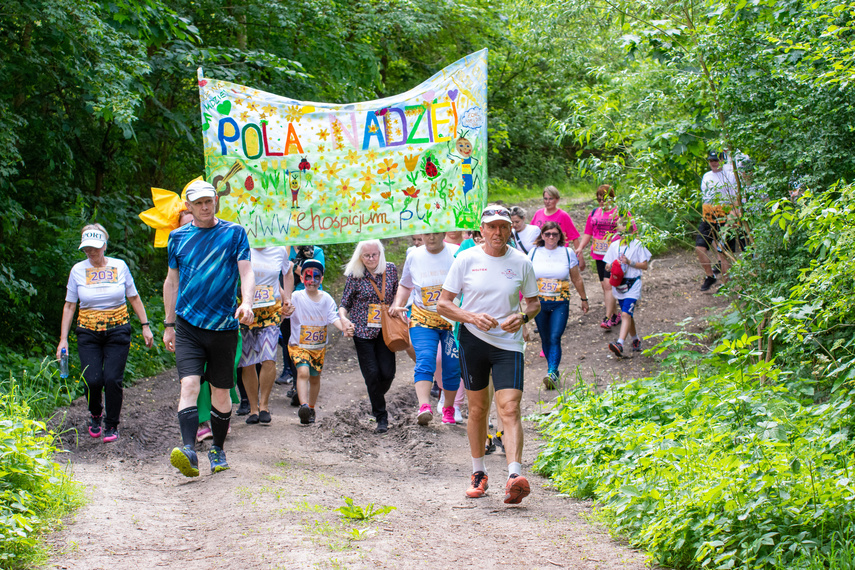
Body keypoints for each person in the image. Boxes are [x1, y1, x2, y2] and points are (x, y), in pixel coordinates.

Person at [438, 204, 540, 505]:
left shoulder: (521, 262)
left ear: (511, 229)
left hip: (508, 343)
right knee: (479, 409)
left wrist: (521, 317)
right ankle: (478, 472)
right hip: (474, 340)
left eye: (503, 227)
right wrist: (469, 317)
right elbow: (443, 304)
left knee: (509, 408)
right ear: (481, 230)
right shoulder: (466, 259)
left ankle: (513, 476)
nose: (498, 232)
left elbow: (533, 303)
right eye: (492, 227)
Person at [163, 180, 255, 477]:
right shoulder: (177, 238)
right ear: (188, 206)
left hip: (224, 326)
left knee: (220, 393)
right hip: (188, 325)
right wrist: (168, 324)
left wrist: (248, 302)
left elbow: (247, 271)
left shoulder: (234, 233)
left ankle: (217, 447)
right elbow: (172, 282)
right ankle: (189, 451)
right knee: (189, 385)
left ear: (216, 201)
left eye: (208, 201)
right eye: (198, 203)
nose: (204, 206)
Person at [57, 224, 154, 443]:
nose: (90, 252)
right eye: (86, 248)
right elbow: (70, 306)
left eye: (95, 248)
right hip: (88, 333)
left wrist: (145, 325)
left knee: (112, 379)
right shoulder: (77, 270)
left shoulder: (119, 266)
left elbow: (134, 297)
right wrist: (63, 339)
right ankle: (95, 413)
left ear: (104, 245)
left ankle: (111, 424)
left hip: (117, 330)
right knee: (92, 380)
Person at [390, 231, 461, 425]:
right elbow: (405, 285)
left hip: (452, 319)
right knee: (426, 358)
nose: (431, 238)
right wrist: (398, 303)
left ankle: (448, 407)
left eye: (435, 234)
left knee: (452, 365)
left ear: (444, 233)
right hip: (423, 317)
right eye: (427, 234)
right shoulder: (414, 255)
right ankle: (424, 407)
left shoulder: (457, 253)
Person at [339, 240, 399, 434]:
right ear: (360, 257)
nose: (371, 259)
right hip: (362, 331)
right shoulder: (355, 275)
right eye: (367, 256)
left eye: (375, 255)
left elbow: (398, 293)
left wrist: (397, 306)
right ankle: (381, 417)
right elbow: (344, 304)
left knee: (387, 373)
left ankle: (375, 394)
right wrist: (343, 320)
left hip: (385, 330)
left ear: (380, 254)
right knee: (372, 374)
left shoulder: (390, 270)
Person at [284, 259, 353, 424]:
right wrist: (285, 311)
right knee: (303, 372)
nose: (312, 281)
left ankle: (311, 408)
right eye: (308, 277)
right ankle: (304, 406)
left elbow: (333, 318)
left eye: (316, 277)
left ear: (321, 279)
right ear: (301, 279)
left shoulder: (326, 299)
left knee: (315, 378)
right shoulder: (296, 297)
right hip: (298, 346)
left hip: (318, 348)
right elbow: (285, 314)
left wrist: (343, 327)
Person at [528, 222, 588, 389]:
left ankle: (552, 371)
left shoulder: (567, 253)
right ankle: (552, 371)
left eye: (555, 234)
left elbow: (576, 278)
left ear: (560, 235)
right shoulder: (533, 253)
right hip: (539, 303)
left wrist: (584, 299)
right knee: (545, 338)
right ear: (542, 236)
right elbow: (525, 278)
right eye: (548, 234)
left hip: (560, 302)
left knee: (555, 337)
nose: (551, 237)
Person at [239, 246, 292, 425]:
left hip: (271, 312)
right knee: (248, 362)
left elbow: (288, 272)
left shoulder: (279, 251)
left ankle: (264, 406)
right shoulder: (241, 248)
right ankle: (253, 409)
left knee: (268, 358)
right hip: (246, 313)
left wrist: (288, 299)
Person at [575, 185, 635, 331]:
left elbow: (632, 230)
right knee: (604, 286)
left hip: (613, 255)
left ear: (612, 198)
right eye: (599, 200)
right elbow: (588, 232)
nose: (602, 202)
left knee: (609, 285)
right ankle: (616, 315)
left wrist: (627, 247)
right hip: (598, 254)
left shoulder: (620, 212)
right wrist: (580, 247)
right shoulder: (595, 213)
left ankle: (607, 318)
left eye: (604, 199)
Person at [604, 217, 652, 358]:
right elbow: (606, 266)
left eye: (626, 226)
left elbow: (645, 265)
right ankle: (635, 339)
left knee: (625, 314)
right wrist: (613, 265)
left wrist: (629, 262)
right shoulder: (614, 246)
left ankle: (620, 343)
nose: (623, 228)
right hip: (619, 285)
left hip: (633, 284)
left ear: (631, 229)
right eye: (620, 225)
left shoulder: (638, 245)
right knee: (628, 314)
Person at [696, 150, 737, 291]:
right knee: (700, 247)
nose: (713, 163)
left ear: (722, 160)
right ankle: (710, 276)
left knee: (723, 253)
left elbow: (736, 200)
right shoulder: (706, 176)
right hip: (708, 217)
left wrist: (732, 218)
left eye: (716, 160)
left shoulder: (730, 176)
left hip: (724, 217)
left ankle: (726, 285)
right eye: (711, 160)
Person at [531, 186, 585, 271]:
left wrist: (580, 257)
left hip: (559, 254)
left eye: (550, 199)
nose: (547, 202)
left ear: (557, 200)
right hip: (541, 253)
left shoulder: (563, 215)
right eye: (545, 199)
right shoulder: (538, 214)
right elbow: (531, 234)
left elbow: (574, 237)